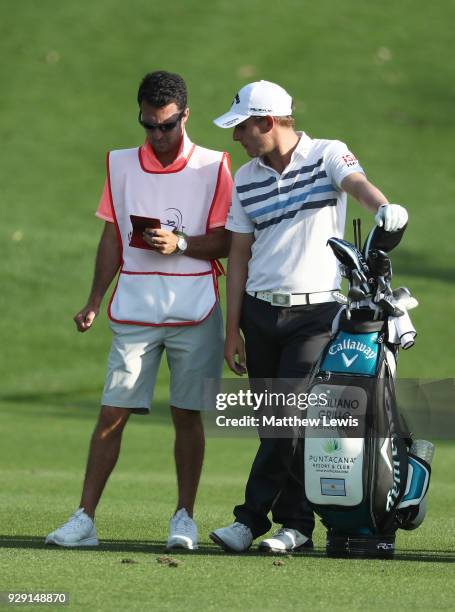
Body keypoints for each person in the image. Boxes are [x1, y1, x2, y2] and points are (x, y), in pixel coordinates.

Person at [209, 80, 408, 553]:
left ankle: (250, 518)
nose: (237, 137)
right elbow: (239, 255)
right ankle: (295, 525)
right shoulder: (246, 178)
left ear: (268, 122)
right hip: (259, 313)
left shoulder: (325, 154)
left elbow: (357, 186)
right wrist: (232, 327)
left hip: (315, 314)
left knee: (286, 417)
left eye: (242, 128)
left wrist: (384, 209)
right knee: (276, 427)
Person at [45, 71, 232, 550]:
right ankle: (84, 518)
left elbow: (227, 241)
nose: (157, 135)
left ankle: (183, 518)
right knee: (112, 412)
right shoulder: (120, 164)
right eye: (148, 125)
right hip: (134, 308)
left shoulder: (214, 165)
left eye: (166, 125)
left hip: (195, 307)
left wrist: (181, 243)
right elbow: (111, 236)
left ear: (184, 116)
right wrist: (93, 300)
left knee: (187, 416)